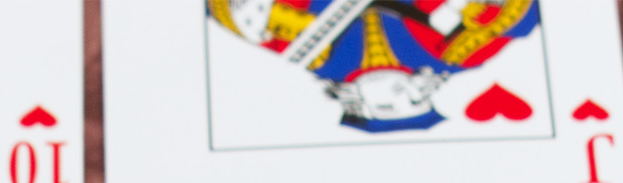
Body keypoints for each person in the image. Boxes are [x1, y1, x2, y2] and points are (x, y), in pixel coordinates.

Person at [207, 0, 541, 133]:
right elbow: (521, 17)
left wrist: (275, 18)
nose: (412, 93)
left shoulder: (314, 57)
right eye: (419, 101)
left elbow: (229, 13)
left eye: (392, 105)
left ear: (355, 103)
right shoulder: (456, 54)